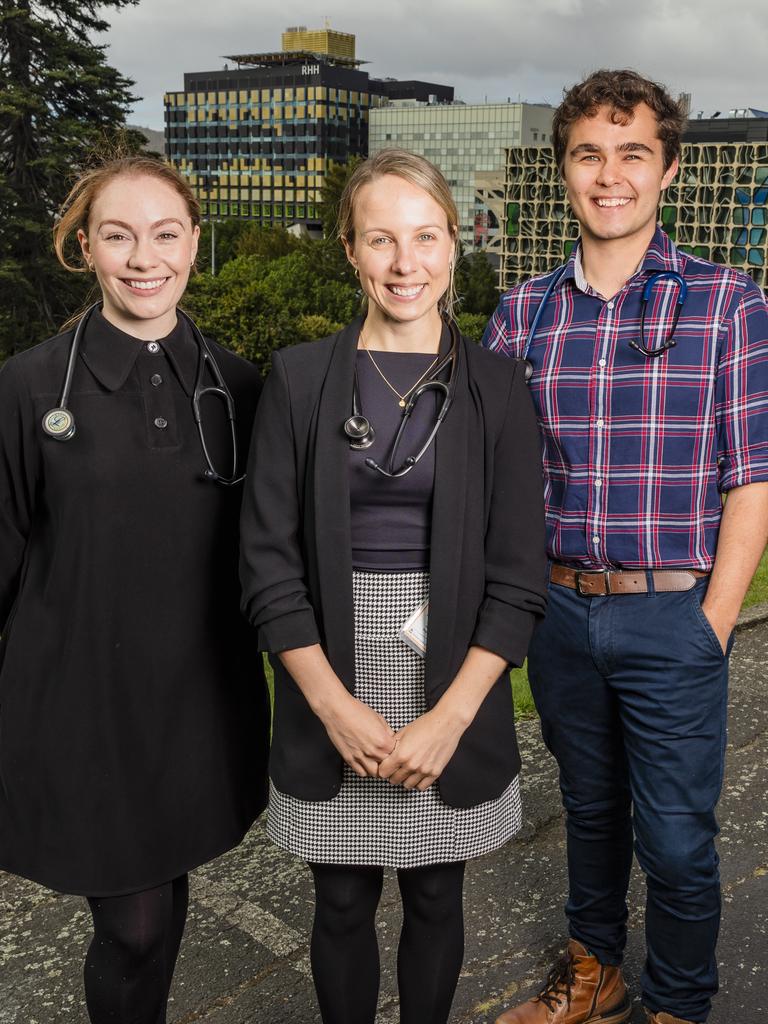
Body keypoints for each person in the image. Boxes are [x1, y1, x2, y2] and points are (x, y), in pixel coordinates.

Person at [483, 70, 768, 1024]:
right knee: (590, 813)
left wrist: (711, 625)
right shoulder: (522, 314)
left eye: (633, 154)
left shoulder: (729, 302)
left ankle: (679, 1004)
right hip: (559, 613)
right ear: (565, 172)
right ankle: (594, 974)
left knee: (679, 840)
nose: (611, 176)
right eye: (590, 155)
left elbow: (754, 477)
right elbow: (492, 479)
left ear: (669, 170)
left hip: (672, 613)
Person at [239, 148, 548, 1024]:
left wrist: (451, 718)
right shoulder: (298, 379)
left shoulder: (497, 385)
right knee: (339, 901)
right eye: (381, 239)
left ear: (454, 244)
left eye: (424, 237)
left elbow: (519, 576)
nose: (405, 263)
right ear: (349, 249)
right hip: (325, 662)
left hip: (454, 666)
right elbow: (268, 563)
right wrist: (334, 707)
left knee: (436, 898)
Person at [0, 155, 270, 1023]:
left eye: (164, 234)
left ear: (195, 243)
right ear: (85, 248)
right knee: (134, 927)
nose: (143, 257)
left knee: (158, 915)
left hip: (195, 705)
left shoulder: (240, 386)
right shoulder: (28, 386)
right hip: (77, 706)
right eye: (118, 235)